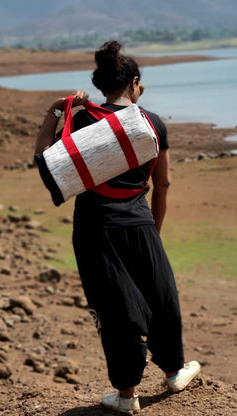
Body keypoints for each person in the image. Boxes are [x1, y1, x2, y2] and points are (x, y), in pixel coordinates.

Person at [35, 40, 200, 414]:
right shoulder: (151, 123)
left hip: (94, 226)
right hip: (139, 222)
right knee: (161, 296)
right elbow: (164, 184)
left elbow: (45, 160)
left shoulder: (81, 120)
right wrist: (152, 232)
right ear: (134, 83)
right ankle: (174, 371)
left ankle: (127, 396)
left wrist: (54, 112)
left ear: (101, 85)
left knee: (114, 306)